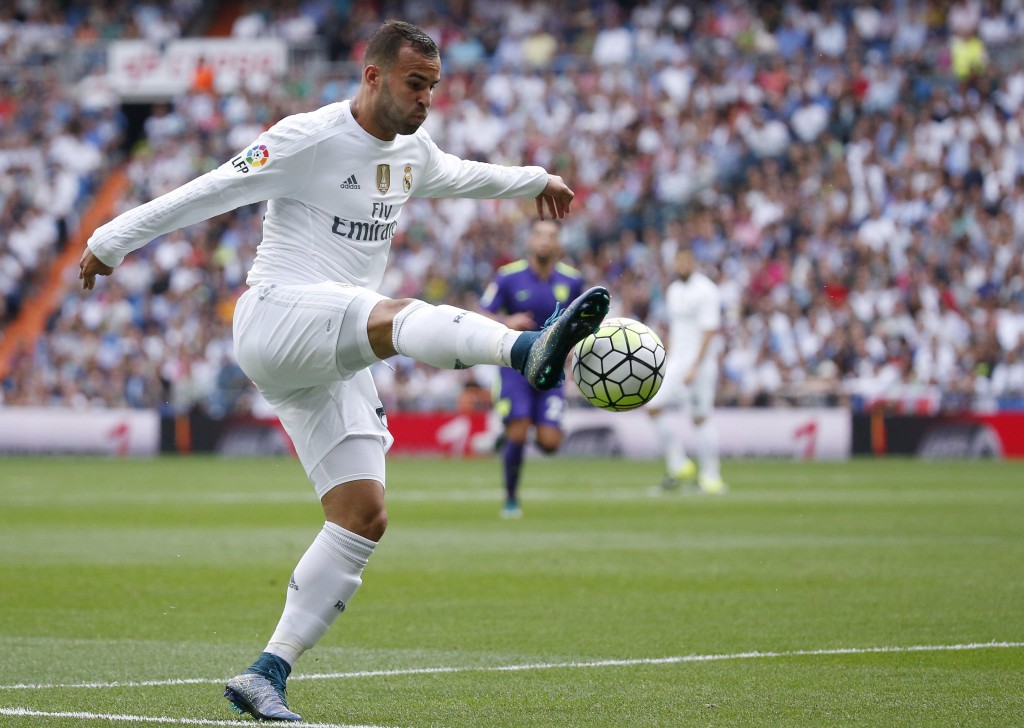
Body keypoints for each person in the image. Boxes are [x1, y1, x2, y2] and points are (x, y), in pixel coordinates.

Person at [78, 20, 610, 722]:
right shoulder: (308, 136)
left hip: (331, 354)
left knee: (363, 514)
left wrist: (535, 180)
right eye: (414, 84)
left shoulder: (412, 152)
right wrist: (110, 240)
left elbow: (462, 176)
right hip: (276, 316)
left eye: (433, 87)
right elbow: (208, 190)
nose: (425, 99)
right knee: (391, 315)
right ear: (373, 76)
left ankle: (267, 671)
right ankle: (524, 351)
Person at [479, 219, 586, 518]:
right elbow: (480, 312)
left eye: (550, 236)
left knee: (550, 443)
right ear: (529, 241)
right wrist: (507, 321)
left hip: (552, 371)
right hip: (515, 365)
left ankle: (509, 434)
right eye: (539, 234)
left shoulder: (573, 280)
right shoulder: (507, 277)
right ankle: (511, 499)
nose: (544, 240)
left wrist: (574, 348)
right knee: (519, 430)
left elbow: (581, 321)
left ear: (558, 244)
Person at [646, 246, 726, 495]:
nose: (680, 265)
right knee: (653, 406)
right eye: (677, 261)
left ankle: (711, 478)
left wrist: (695, 366)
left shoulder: (706, 291)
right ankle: (678, 463)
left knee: (700, 417)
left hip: (699, 365)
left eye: (685, 260)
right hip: (677, 362)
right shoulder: (673, 290)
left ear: (693, 262)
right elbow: (676, 329)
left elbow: (709, 331)